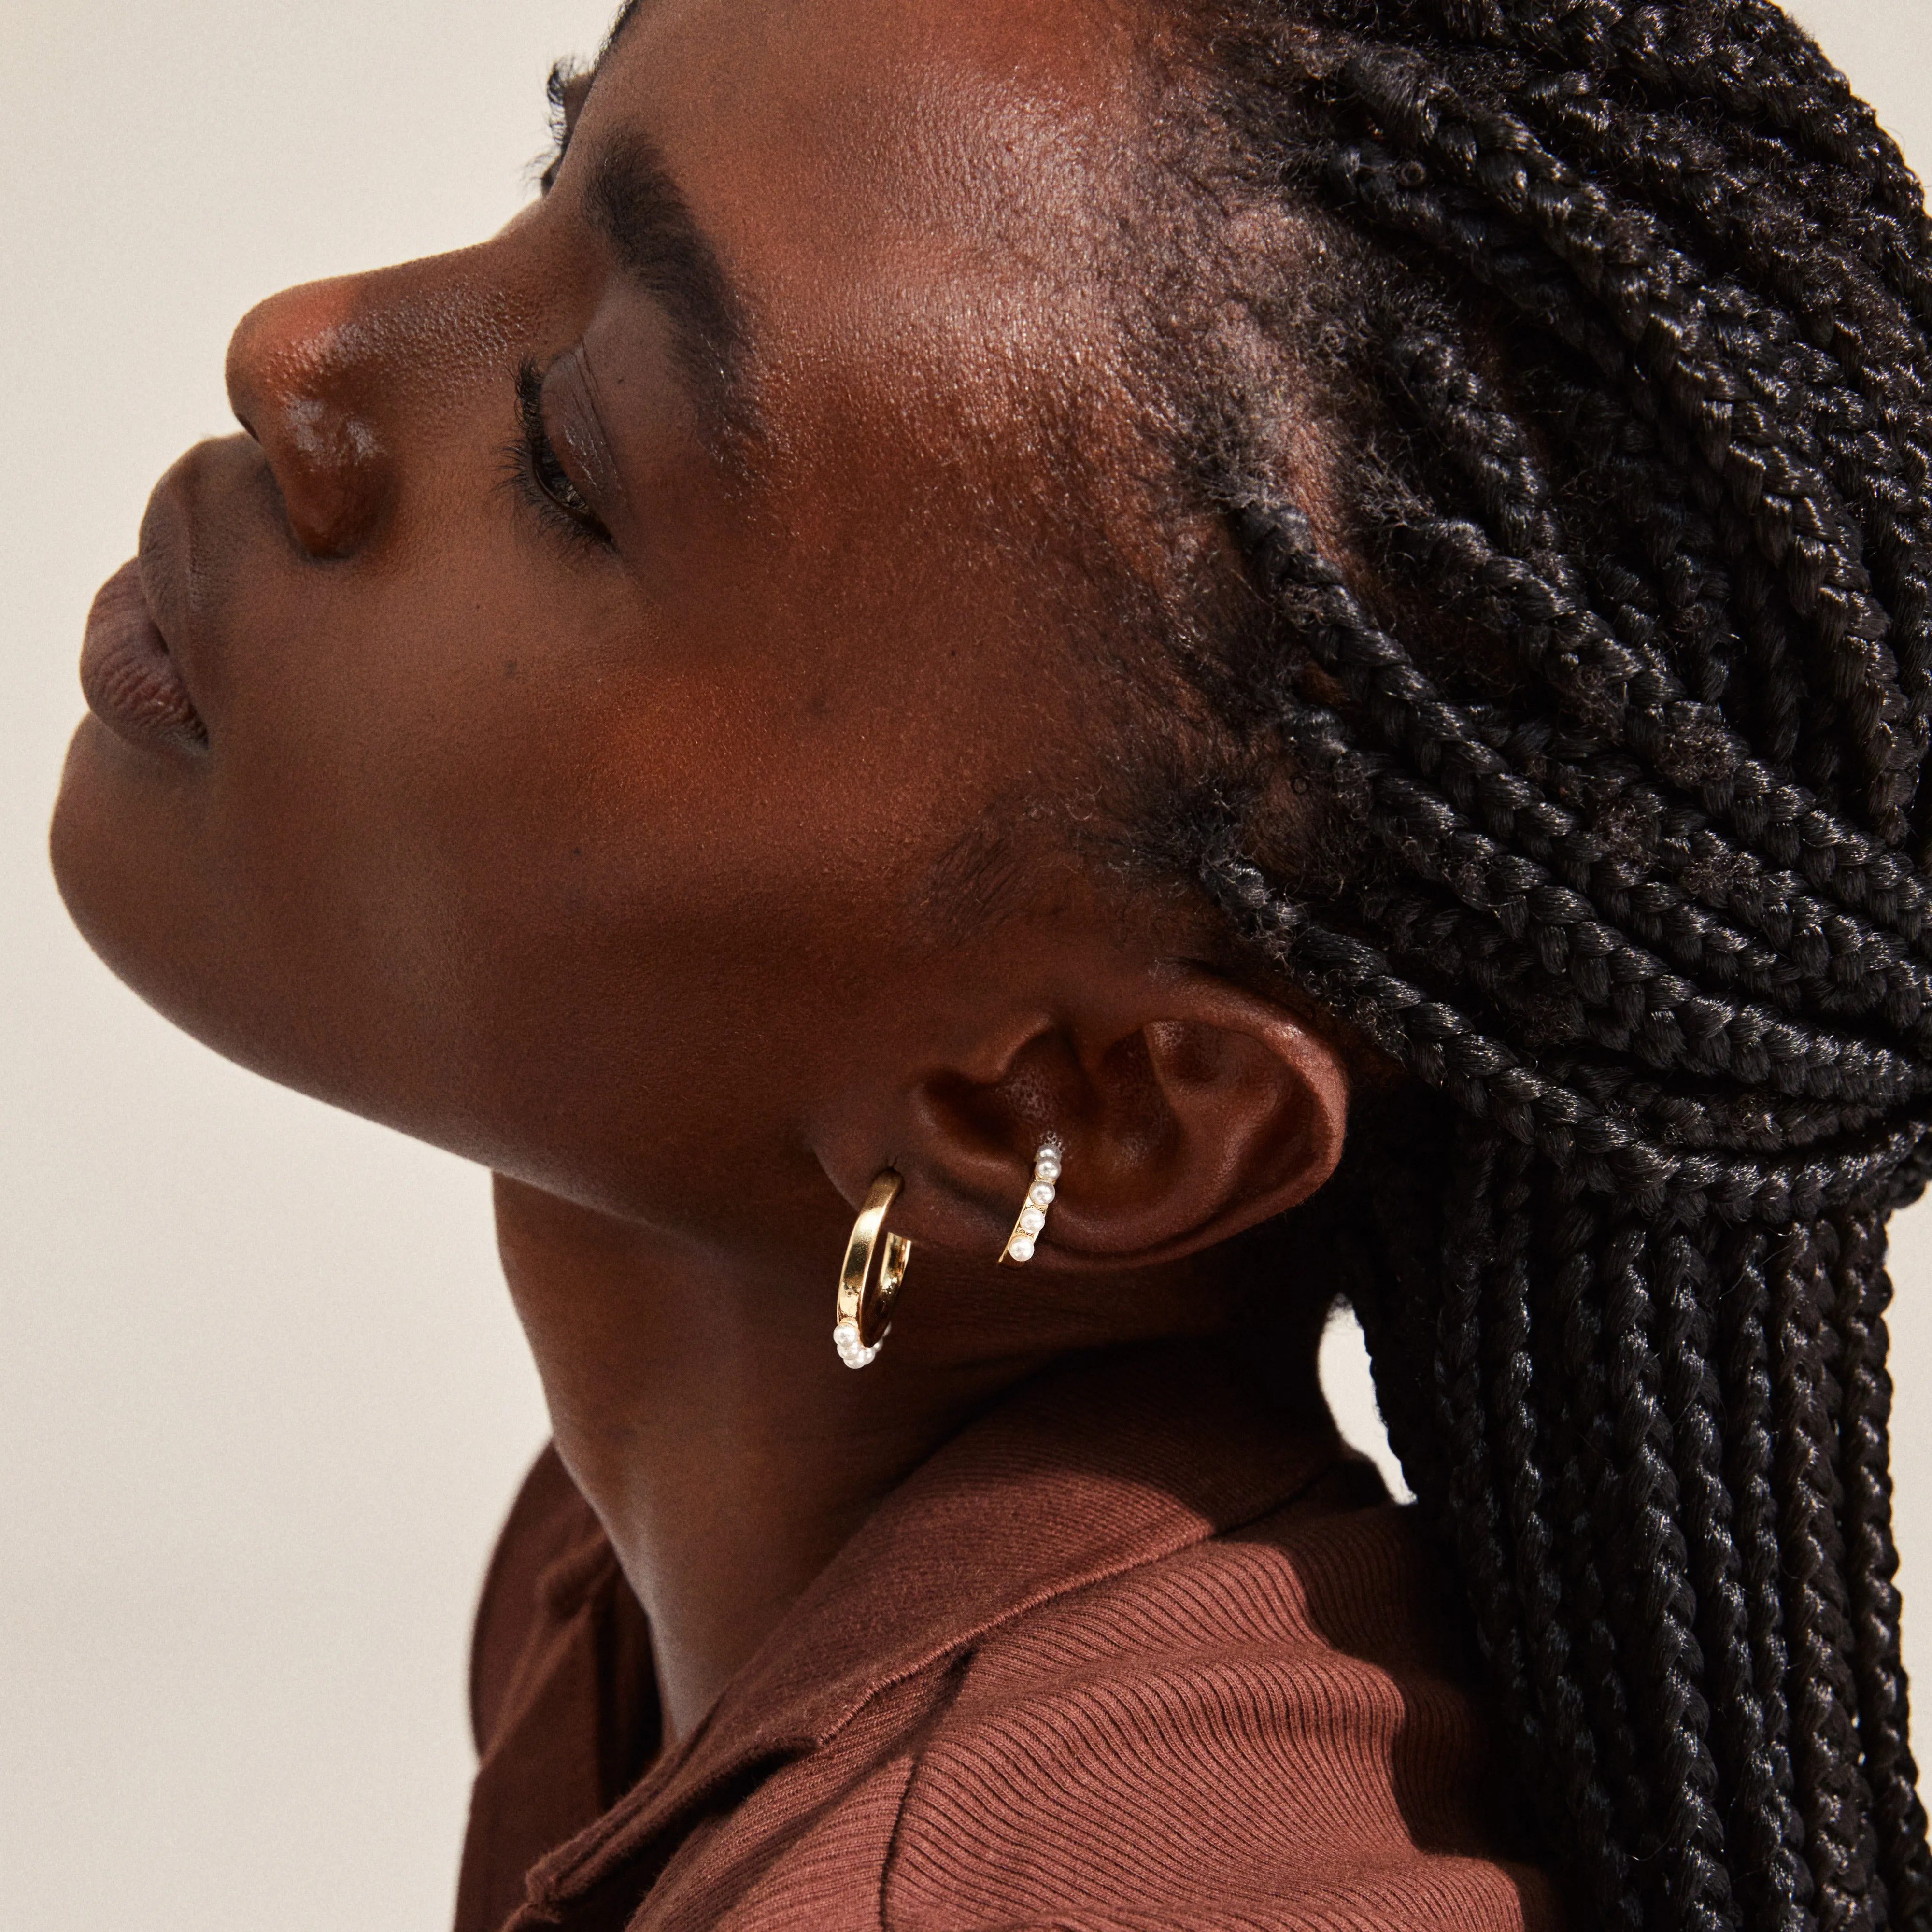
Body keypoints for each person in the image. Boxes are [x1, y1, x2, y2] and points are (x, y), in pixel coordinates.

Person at [49, 0, 1932, 1926]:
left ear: (1077, 1107)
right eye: (554, 176)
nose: (301, 346)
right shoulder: (654, 1594)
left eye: (568, 456)